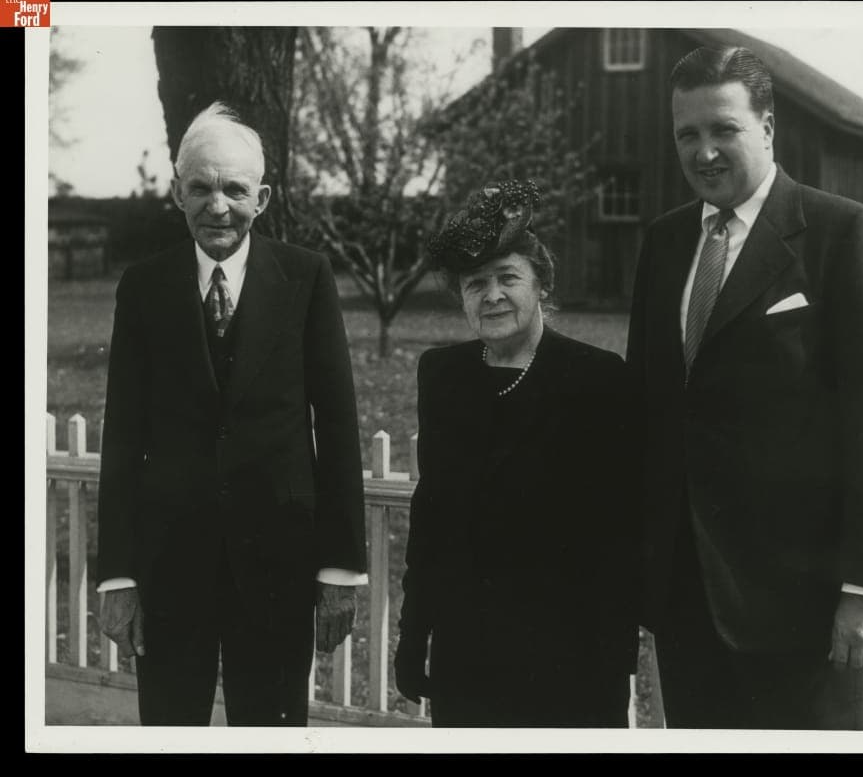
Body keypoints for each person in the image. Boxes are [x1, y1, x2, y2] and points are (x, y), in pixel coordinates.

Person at [626, 46, 863, 730]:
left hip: (803, 605)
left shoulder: (844, 235)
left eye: (723, 129)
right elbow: (647, 410)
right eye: (687, 135)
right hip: (686, 596)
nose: (704, 153)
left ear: (767, 126)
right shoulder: (665, 244)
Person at [96, 102, 368, 726]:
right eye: (201, 188)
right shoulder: (144, 286)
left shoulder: (306, 279)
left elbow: (339, 423)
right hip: (169, 570)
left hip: (278, 564)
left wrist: (339, 569)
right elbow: (123, 435)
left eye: (235, 189)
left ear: (263, 198)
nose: (218, 205)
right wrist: (117, 578)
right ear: (177, 193)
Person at [393, 180, 640, 727]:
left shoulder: (595, 378)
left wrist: (612, 664)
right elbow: (432, 516)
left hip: (568, 657)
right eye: (475, 284)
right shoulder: (443, 375)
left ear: (541, 286)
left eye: (508, 278)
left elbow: (616, 536)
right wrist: (415, 636)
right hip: (467, 653)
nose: (492, 296)